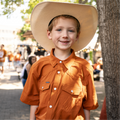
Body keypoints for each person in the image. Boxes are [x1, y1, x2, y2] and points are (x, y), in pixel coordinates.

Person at [20, 2, 98, 120]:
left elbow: (88, 104)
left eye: (71, 31)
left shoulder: (85, 67)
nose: (65, 35)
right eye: (59, 29)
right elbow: (33, 100)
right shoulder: (38, 66)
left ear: (77, 36)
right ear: (49, 34)